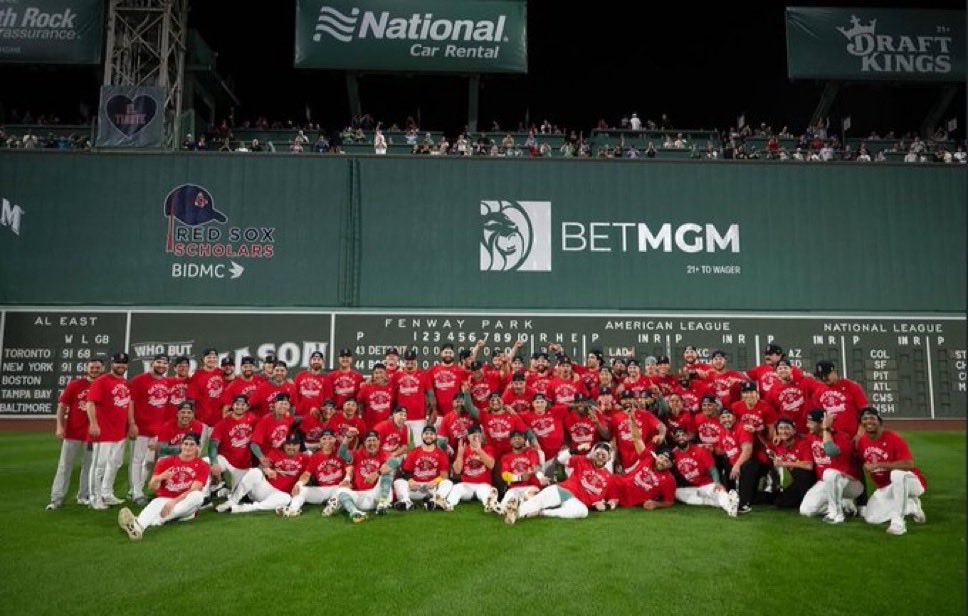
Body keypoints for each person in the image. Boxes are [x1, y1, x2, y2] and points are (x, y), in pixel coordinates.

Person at [117, 432, 210, 541]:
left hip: (185, 504)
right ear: (181, 445)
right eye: (186, 443)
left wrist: (173, 502)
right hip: (164, 499)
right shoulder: (166, 462)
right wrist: (160, 477)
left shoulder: (202, 465)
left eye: (192, 444)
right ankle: (137, 528)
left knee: (198, 496)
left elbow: (195, 488)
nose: (188, 447)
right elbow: (152, 487)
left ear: (197, 447)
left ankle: (155, 520)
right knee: (156, 503)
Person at [504, 443, 617, 524]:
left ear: (608, 458)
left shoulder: (609, 478)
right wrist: (575, 450)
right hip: (563, 490)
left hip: (575, 502)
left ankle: (544, 512)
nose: (600, 457)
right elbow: (560, 460)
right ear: (593, 454)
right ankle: (514, 513)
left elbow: (613, 500)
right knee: (538, 501)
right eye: (598, 453)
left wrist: (606, 506)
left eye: (604, 455)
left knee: (583, 512)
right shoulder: (583, 460)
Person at [856, 407, 927, 535]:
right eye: (864, 419)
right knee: (871, 518)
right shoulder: (862, 442)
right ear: (861, 424)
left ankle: (898, 522)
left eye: (872, 418)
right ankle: (911, 506)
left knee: (897, 474)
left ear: (880, 421)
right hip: (886, 487)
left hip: (912, 482)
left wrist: (880, 464)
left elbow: (909, 464)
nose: (868, 421)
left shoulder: (893, 438)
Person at [47, 358, 102, 510]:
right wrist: (59, 426)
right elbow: (62, 406)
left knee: (89, 467)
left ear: (102, 368)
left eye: (97, 368)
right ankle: (56, 498)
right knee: (64, 466)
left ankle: (83, 496)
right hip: (73, 433)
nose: (94, 370)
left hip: (93, 435)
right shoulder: (75, 385)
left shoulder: (103, 385)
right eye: (92, 367)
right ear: (86, 368)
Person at [86, 352, 136, 510]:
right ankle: (95, 497)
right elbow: (90, 403)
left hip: (119, 431)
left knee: (115, 463)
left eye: (124, 363)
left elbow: (127, 404)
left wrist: (131, 424)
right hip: (104, 432)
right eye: (117, 363)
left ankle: (107, 493)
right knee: (99, 465)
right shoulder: (101, 381)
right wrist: (93, 424)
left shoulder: (125, 383)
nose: (121, 365)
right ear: (111, 364)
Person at [216, 435, 308, 514]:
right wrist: (266, 470)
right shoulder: (275, 453)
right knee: (255, 471)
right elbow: (261, 466)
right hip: (265, 489)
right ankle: (232, 501)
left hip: (280, 495)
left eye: (294, 444)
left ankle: (246, 508)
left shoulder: (305, 458)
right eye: (289, 444)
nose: (291, 447)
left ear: (300, 445)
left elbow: (308, 475)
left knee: (287, 498)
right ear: (284, 444)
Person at [799, 409, 863, 524]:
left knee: (829, 473)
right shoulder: (811, 437)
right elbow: (798, 438)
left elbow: (830, 451)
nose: (807, 425)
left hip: (849, 483)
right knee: (806, 511)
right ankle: (845, 505)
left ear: (822, 422)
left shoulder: (842, 437)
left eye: (810, 422)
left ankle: (836, 514)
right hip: (826, 482)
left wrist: (826, 429)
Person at [128, 353, 171, 506]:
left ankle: (136, 489)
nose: (161, 365)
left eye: (165, 363)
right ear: (152, 363)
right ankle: (137, 493)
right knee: (137, 460)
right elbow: (130, 402)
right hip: (141, 428)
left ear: (168, 366)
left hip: (157, 429)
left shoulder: (166, 382)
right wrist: (132, 423)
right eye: (159, 362)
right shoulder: (139, 380)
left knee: (150, 462)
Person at [277, 430, 349, 516]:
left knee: (342, 491)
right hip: (322, 490)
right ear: (320, 441)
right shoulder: (315, 457)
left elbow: (349, 469)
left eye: (330, 438)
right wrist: (298, 484)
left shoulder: (341, 453)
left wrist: (347, 479)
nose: (327, 441)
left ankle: (332, 506)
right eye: (324, 439)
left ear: (335, 440)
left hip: (338, 487)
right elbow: (306, 474)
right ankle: (293, 509)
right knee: (301, 490)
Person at [671, 427, 739, 517]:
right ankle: (714, 502)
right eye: (677, 436)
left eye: (683, 435)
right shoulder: (674, 454)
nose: (681, 438)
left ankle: (730, 507)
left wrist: (717, 483)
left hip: (707, 484)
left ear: (688, 437)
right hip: (693, 488)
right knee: (676, 492)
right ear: (674, 439)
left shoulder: (700, 450)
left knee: (719, 491)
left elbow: (713, 469)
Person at [438, 426, 498, 512]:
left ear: (482, 436)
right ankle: (448, 504)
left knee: (485, 492)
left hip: (483, 484)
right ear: (468, 437)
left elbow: (491, 465)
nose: (476, 438)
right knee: (457, 488)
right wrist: (460, 454)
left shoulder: (487, 448)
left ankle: (489, 504)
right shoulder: (464, 449)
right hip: (467, 484)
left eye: (478, 435)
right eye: (473, 436)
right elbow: (457, 470)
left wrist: (479, 450)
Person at [392, 425, 450, 511]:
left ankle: (435, 501)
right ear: (422, 435)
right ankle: (406, 502)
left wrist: (435, 482)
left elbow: (444, 475)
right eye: (426, 433)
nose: (429, 436)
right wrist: (411, 481)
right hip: (416, 487)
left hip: (432, 488)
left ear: (435, 436)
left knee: (447, 483)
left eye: (431, 434)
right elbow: (406, 472)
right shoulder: (414, 452)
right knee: (398, 482)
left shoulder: (441, 453)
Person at [208, 394, 259, 489]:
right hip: (226, 461)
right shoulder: (223, 423)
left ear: (247, 407)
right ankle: (207, 492)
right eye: (237, 404)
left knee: (238, 491)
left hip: (244, 465)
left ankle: (222, 487)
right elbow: (213, 445)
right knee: (206, 461)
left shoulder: (253, 420)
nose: (239, 407)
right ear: (232, 405)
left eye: (243, 405)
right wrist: (214, 463)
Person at [769, 417, 815, 509]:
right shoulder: (778, 444)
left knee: (800, 472)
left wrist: (784, 463)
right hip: (789, 480)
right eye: (781, 428)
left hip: (805, 480)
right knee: (777, 502)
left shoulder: (803, 443)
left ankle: (804, 500)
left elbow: (809, 465)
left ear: (794, 430)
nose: (783, 431)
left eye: (787, 428)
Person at [392, 348, 433, 443]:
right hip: (401, 418)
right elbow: (392, 398)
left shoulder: (423, 375)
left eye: (412, 360)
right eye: (407, 360)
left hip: (419, 418)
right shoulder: (396, 376)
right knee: (401, 447)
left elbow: (431, 394)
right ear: (403, 361)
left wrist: (433, 411)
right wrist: (392, 415)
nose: (409, 362)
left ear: (415, 361)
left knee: (419, 446)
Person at [188, 348, 225, 444]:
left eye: (214, 357)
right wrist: (193, 421)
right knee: (200, 451)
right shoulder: (197, 376)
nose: (212, 359)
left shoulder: (221, 373)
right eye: (209, 357)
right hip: (202, 422)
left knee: (215, 451)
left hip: (218, 421)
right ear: (203, 359)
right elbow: (191, 400)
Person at [292, 350, 331, 417]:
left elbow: (327, 399)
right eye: (314, 359)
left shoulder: (326, 379)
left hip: (317, 416)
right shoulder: (300, 376)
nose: (316, 361)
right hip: (300, 414)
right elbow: (294, 395)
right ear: (310, 361)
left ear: (323, 362)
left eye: (319, 359)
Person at [358, 363, 395, 430]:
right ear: (373, 375)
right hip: (370, 427)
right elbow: (358, 402)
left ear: (386, 374)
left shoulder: (391, 388)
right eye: (376, 373)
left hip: (386, 427)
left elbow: (395, 405)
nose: (379, 375)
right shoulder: (366, 387)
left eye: (381, 372)